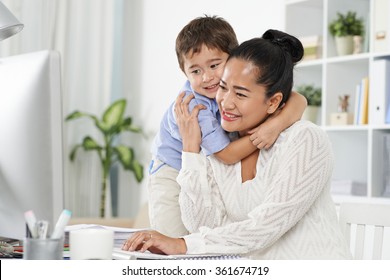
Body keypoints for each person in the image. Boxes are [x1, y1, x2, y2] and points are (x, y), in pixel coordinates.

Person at [123, 29, 352, 259]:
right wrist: (190, 149)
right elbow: (202, 225)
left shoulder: (305, 139)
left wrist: (182, 245)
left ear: (273, 102)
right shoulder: (218, 143)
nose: (226, 103)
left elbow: (266, 226)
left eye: (240, 94)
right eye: (223, 88)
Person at [149, 16, 307, 238]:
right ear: (185, 72)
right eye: (195, 71)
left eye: (214, 65)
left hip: (205, 170)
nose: (207, 77)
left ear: (232, 59)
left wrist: (277, 123)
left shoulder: (233, 87)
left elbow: (298, 99)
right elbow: (227, 155)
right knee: (171, 239)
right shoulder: (194, 106)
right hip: (171, 172)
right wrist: (261, 134)